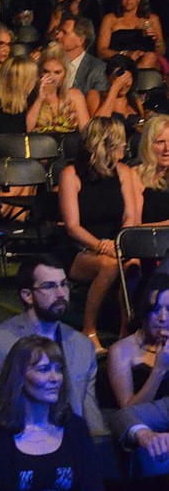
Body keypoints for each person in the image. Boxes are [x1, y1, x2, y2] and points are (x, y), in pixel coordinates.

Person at [0, 336, 107, 491]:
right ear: (18, 377)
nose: (55, 378)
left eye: (58, 369)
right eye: (44, 370)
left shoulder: (74, 426)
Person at [0, 254, 103, 434]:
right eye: (49, 286)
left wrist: (100, 446)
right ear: (27, 295)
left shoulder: (81, 344)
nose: (61, 293)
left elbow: (89, 409)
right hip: (20, 440)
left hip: (71, 441)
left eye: (64, 284)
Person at [56, 116, 137, 349]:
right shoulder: (71, 174)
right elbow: (72, 226)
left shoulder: (123, 172)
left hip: (116, 245)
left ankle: (126, 331)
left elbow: (129, 216)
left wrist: (118, 244)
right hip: (80, 246)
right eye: (120, 142)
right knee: (109, 265)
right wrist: (101, 246)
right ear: (105, 145)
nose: (125, 146)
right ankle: (89, 329)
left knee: (131, 265)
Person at [107, 273, 169, 409]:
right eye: (156, 309)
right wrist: (159, 370)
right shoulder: (120, 351)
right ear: (143, 310)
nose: (163, 318)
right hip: (141, 426)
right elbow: (129, 412)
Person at [96, 0, 164, 71]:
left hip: (146, 64)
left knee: (150, 57)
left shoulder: (152, 19)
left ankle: (132, 74)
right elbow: (101, 51)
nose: (128, 0)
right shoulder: (110, 19)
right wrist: (126, 54)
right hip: (119, 63)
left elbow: (161, 52)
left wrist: (157, 41)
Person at [25, 43, 89, 134]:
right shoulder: (31, 96)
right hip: (39, 146)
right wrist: (39, 99)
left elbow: (86, 133)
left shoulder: (75, 96)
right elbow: (27, 130)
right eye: (46, 71)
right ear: (39, 72)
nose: (51, 77)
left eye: (57, 72)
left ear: (65, 74)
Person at [86, 54, 145, 130]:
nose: (123, 84)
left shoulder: (134, 100)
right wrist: (115, 88)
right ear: (108, 77)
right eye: (119, 79)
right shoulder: (95, 95)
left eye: (127, 79)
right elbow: (98, 126)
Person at [54, 17, 108, 95]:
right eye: (58, 31)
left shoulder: (97, 69)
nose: (58, 36)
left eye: (64, 33)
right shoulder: (51, 61)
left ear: (80, 40)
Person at [133, 113, 169, 223]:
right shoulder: (135, 175)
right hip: (148, 239)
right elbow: (134, 227)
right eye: (160, 142)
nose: (167, 148)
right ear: (148, 145)